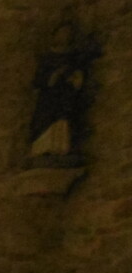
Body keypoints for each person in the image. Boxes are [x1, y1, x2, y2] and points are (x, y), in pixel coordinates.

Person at [27, 20, 98, 167]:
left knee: (63, 122)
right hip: (48, 99)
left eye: (68, 34)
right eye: (62, 33)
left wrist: (75, 77)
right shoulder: (47, 58)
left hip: (65, 98)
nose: (65, 36)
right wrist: (53, 77)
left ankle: (61, 150)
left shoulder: (72, 57)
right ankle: (42, 150)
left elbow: (79, 75)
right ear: (55, 36)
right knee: (45, 122)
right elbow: (39, 80)